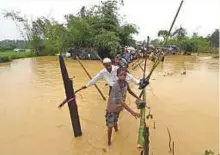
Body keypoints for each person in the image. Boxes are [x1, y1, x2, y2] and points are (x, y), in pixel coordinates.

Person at [106, 67, 140, 146]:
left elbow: (130, 91)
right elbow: (121, 101)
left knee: (116, 120)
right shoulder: (116, 85)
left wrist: (138, 98)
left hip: (118, 108)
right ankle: (109, 141)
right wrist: (133, 112)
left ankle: (117, 131)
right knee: (110, 125)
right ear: (117, 75)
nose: (123, 76)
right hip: (112, 108)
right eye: (121, 75)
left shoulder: (125, 83)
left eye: (125, 74)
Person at [75, 58, 140, 95]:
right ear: (104, 65)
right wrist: (87, 85)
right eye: (106, 66)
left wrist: (137, 82)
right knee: (111, 100)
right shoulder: (102, 72)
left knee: (120, 101)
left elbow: (129, 76)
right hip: (112, 87)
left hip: (120, 87)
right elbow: (94, 79)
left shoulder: (117, 68)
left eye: (109, 65)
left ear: (111, 64)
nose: (108, 67)